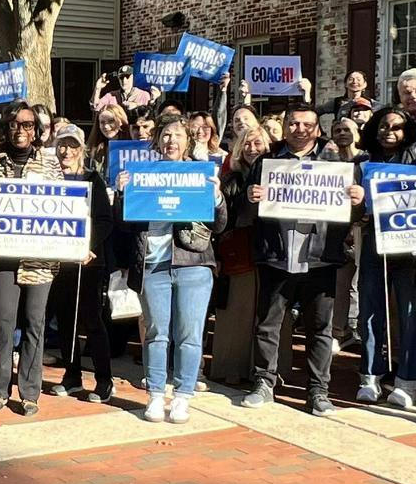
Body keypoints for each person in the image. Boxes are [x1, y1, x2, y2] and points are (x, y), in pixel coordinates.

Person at [118, 115, 226, 423]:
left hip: (193, 264)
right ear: (157, 141)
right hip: (153, 264)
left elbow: (220, 224)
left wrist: (216, 196)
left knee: (190, 334)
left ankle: (182, 397)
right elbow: (122, 225)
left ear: (188, 142)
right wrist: (123, 194)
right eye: (166, 135)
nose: (171, 141)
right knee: (155, 333)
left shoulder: (199, 176)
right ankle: (154, 395)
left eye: (178, 135)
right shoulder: (142, 175)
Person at [242, 102, 346, 414]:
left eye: (306, 125)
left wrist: (356, 200)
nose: (299, 130)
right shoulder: (268, 160)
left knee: (319, 329)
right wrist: (251, 196)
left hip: (320, 257)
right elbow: (246, 208)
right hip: (277, 255)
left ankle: (318, 391)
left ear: (317, 128)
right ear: (285, 125)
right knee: (268, 325)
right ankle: (264, 382)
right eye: (294, 124)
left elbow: (350, 213)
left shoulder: (335, 160)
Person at [0, 102, 66, 416]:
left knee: (35, 323)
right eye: (14, 125)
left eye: (27, 125)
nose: (20, 131)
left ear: (36, 131)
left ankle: (30, 392)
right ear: (7, 128)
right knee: (4, 324)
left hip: (39, 259)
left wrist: (74, 245)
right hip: (3, 256)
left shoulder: (50, 164)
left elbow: (64, 209)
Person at [349, 106, 416, 407]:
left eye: (396, 127)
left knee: (410, 315)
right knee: (370, 313)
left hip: (409, 248)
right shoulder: (362, 163)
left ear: (406, 132)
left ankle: (408, 381)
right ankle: (370, 376)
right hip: (373, 245)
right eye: (383, 126)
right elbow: (352, 214)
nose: (389, 132)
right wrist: (357, 205)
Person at [50, 123, 118, 403]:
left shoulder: (93, 179)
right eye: (62, 145)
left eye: (72, 145)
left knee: (92, 320)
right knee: (65, 320)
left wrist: (88, 246)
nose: (66, 151)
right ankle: (72, 375)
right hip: (59, 261)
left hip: (89, 261)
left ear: (82, 149)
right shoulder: (49, 180)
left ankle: (104, 380)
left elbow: (105, 220)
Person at [210, 124, 271, 388]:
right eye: (246, 144)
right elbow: (223, 219)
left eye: (258, 143)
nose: (252, 149)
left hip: (272, 251)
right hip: (239, 250)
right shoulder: (230, 179)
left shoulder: (280, 175)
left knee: (268, 314)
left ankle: (266, 369)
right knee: (237, 311)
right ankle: (230, 367)